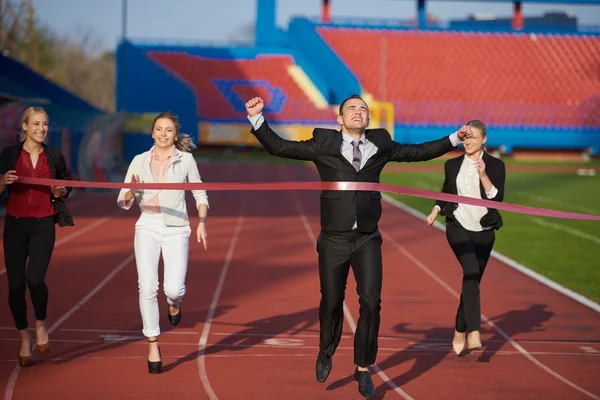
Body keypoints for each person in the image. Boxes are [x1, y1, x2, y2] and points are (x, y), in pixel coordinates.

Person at [244, 95, 470, 398]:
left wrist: (454, 138)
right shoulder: (323, 143)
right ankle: (326, 351)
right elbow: (280, 147)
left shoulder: (381, 144)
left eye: (363, 109)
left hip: (367, 238)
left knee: (371, 303)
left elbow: (419, 152)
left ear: (368, 119)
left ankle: (363, 368)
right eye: (351, 109)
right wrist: (257, 119)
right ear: (339, 120)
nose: (358, 112)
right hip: (334, 238)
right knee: (332, 301)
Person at [117, 111, 209, 374]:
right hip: (147, 225)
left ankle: (174, 303)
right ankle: (153, 343)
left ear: (175, 135)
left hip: (177, 227)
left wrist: (201, 222)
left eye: (168, 130)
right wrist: (132, 191)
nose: (163, 134)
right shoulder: (139, 160)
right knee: (146, 286)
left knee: (174, 289)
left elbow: (199, 193)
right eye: (159, 129)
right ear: (153, 132)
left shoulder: (186, 160)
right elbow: (123, 201)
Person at [0, 106, 74, 368]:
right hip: (15, 226)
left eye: (44, 124)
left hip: (44, 224)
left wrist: (60, 191)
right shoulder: (9, 155)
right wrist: (3, 182)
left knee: (35, 279)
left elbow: (67, 188)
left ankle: (40, 324)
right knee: (16, 286)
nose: (41, 129)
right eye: (36, 124)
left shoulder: (54, 156)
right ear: (24, 126)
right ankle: (23, 337)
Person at [425, 120, 505, 355]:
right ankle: (474, 331)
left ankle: (460, 329)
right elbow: (446, 192)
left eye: (472, 137)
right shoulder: (452, 164)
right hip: (457, 225)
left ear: (484, 140)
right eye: (465, 137)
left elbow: (496, 199)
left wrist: (483, 175)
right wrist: (435, 210)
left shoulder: (496, 165)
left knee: (472, 282)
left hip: (484, 231)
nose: (467, 141)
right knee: (470, 272)